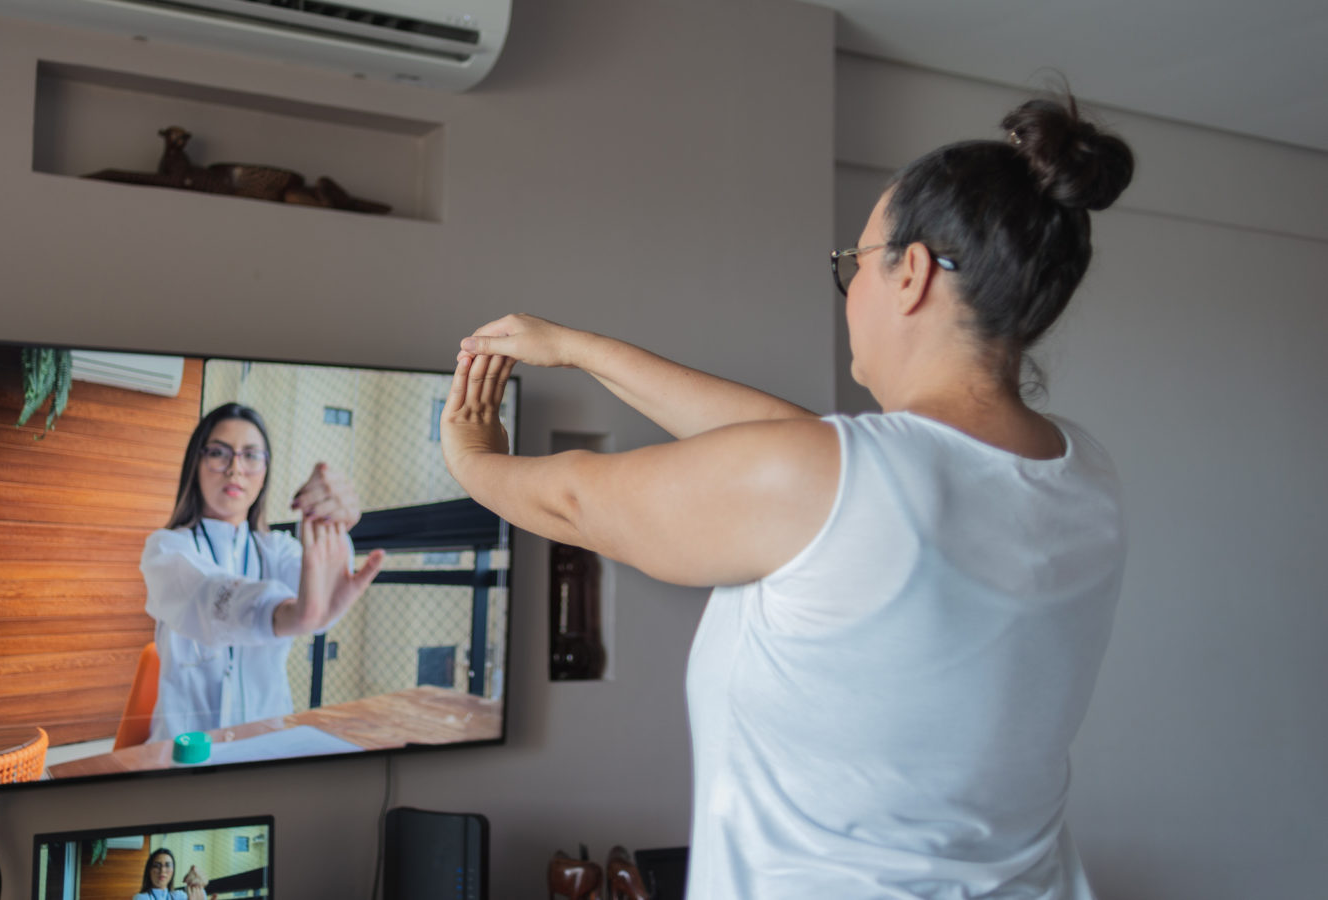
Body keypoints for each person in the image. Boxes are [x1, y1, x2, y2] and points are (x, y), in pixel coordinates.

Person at [440, 92, 1134, 899]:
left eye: (854, 261)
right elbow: (803, 446)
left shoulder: (840, 481)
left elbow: (573, 502)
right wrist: (580, 350)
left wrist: (469, 455)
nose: (848, 291)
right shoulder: (1084, 472)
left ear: (908, 274)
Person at [140, 402, 384, 743]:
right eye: (219, 453)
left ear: (266, 470)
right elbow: (207, 594)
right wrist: (288, 614)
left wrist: (331, 526)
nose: (235, 468)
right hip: (182, 750)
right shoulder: (166, 550)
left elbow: (318, 608)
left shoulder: (279, 549)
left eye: (251, 455)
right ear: (196, 462)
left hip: (266, 743)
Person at [133, 848, 208, 900]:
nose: (162, 870)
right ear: (149, 870)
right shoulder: (141, 898)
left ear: (173, 871)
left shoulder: (179, 896)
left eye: (168, 865)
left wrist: (197, 883)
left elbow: (200, 896)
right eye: (157, 866)